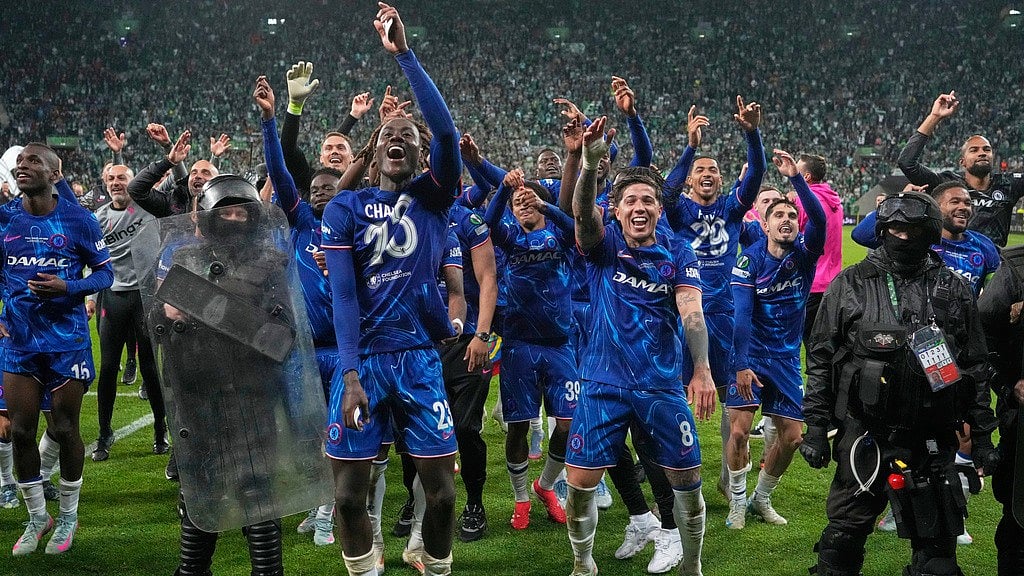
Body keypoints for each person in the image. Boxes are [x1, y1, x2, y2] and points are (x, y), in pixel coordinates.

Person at [320, 5, 462, 575]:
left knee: (443, 496)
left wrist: (403, 55)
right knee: (349, 497)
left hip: (420, 359)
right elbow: (345, 295)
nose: (396, 138)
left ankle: (434, 562)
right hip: (363, 364)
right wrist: (351, 374)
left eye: (407, 135)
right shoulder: (343, 208)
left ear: (422, 156)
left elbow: (447, 132)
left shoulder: (434, 198)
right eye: (387, 135)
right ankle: (366, 569)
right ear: (373, 153)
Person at [801, 191, 999, 576]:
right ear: (881, 230)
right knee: (841, 543)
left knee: (937, 559)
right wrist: (815, 427)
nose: (902, 236)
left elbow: (975, 367)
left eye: (911, 229)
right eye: (894, 228)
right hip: (865, 435)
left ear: (929, 233)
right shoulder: (850, 284)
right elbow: (821, 359)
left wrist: (984, 438)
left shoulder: (955, 289)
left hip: (932, 438)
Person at [565, 116, 716, 576]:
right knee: (580, 483)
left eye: (647, 200)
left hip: (660, 385)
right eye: (630, 199)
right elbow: (582, 218)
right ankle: (583, 562)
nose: (639, 206)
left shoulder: (678, 255)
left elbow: (691, 311)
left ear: (657, 209)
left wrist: (703, 369)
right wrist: (589, 166)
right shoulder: (603, 245)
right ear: (617, 209)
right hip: (602, 383)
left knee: (687, 482)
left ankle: (692, 566)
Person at [3, 143, 113, 555]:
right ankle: (36, 519)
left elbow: (106, 274)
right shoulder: (5, 220)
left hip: (66, 343)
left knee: (65, 429)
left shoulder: (79, 220)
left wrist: (70, 287)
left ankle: (67, 516)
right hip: (19, 343)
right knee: (19, 431)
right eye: (19, 162)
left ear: (55, 174)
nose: (22, 165)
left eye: (33, 161)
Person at [662, 98, 766, 498]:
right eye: (700, 170)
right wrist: (690, 148)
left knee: (730, 396)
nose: (707, 174)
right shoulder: (678, 210)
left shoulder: (731, 208)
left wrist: (751, 134)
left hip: (722, 313)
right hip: (681, 314)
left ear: (721, 181)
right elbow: (667, 193)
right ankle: (676, 478)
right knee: (672, 394)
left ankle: (728, 477)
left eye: (714, 170)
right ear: (691, 179)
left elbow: (755, 176)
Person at [724, 150, 826, 529]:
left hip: (785, 360)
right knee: (738, 432)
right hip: (750, 356)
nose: (786, 219)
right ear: (764, 225)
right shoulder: (749, 260)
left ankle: (760, 498)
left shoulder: (804, 256)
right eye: (778, 215)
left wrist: (796, 180)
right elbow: (742, 314)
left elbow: (818, 218)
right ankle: (736, 502)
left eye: (790, 216)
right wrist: (740, 365)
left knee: (794, 437)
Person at [483, 168, 576, 531]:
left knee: (568, 423)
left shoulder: (560, 237)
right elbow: (488, 227)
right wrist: (502, 195)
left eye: (529, 201)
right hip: (519, 345)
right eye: (518, 203)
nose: (523, 206)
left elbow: (573, 227)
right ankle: (521, 497)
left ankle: (546, 485)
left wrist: (546, 207)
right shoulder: (510, 238)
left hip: (559, 344)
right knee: (518, 427)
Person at [88, 164, 167, 462]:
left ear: (132, 182)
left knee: (150, 367)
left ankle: (160, 428)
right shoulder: (99, 218)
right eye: (110, 178)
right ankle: (104, 433)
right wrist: (93, 298)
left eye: (122, 178)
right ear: (105, 183)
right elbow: (95, 260)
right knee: (108, 368)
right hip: (113, 296)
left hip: (146, 298)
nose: (115, 182)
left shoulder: (147, 209)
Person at [897, 91, 1024, 247]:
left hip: (994, 266)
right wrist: (935, 116)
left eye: (986, 149)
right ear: (962, 161)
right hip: (952, 264)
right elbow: (906, 162)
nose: (982, 153)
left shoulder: (1008, 184)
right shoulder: (947, 184)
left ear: (993, 157)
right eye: (974, 150)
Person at [977, 246, 1024, 575]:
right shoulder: (1018, 268)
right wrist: (1008, 384)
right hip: (1022, 423)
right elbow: (982, 330)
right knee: (1018, 521)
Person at [792, 153, 842, 347]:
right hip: (833, 283)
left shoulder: (804, 202)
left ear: (806, 177)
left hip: (811, 283)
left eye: (797, 169)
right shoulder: (833, 199)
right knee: (828, 346)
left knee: (811, 345)